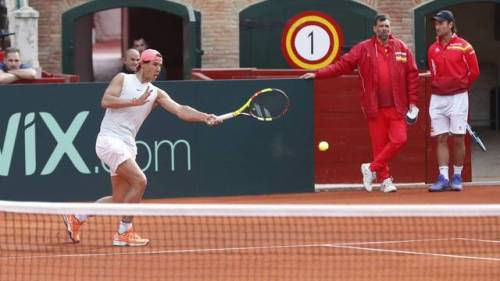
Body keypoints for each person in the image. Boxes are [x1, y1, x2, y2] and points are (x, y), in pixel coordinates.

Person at [63, 49, 221, 246]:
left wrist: (205, 117)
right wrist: (133, 101)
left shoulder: (157, 93)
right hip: (110, 141)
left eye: (160, 66)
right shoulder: (122, 79)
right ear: (142, 64)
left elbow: (181, 110)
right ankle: (124, 232)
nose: (157, 69)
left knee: (120, 200)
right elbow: (106, 101)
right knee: (140, 181)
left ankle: (77, 217)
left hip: (128, 145)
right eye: (154, 64)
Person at [301, 15, 419, 193]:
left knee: (400, 139)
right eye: (380, 26)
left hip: (397, 106)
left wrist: (413, 102)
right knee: (379, 146)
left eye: (387, 26)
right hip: (374, 106)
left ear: (390, 28)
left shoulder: (402, 48)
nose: (384, 29)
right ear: (374, 29)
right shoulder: (363, 48)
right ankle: (385, 180)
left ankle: (370, 168)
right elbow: (342, 66)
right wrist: (318, 74)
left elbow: (412, 75)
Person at [427, 10, 480, 192]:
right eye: (436, 23)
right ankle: (443, 177)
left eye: (441, 23)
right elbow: (433, 71)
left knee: (458, 138)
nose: (437, 26)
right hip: (437, 98)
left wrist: (460, 85)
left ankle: (457, 176)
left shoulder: (465, 47)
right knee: (440, 138)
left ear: (450, 24)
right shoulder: (432, 49)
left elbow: (474, 72)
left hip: (458, 98)